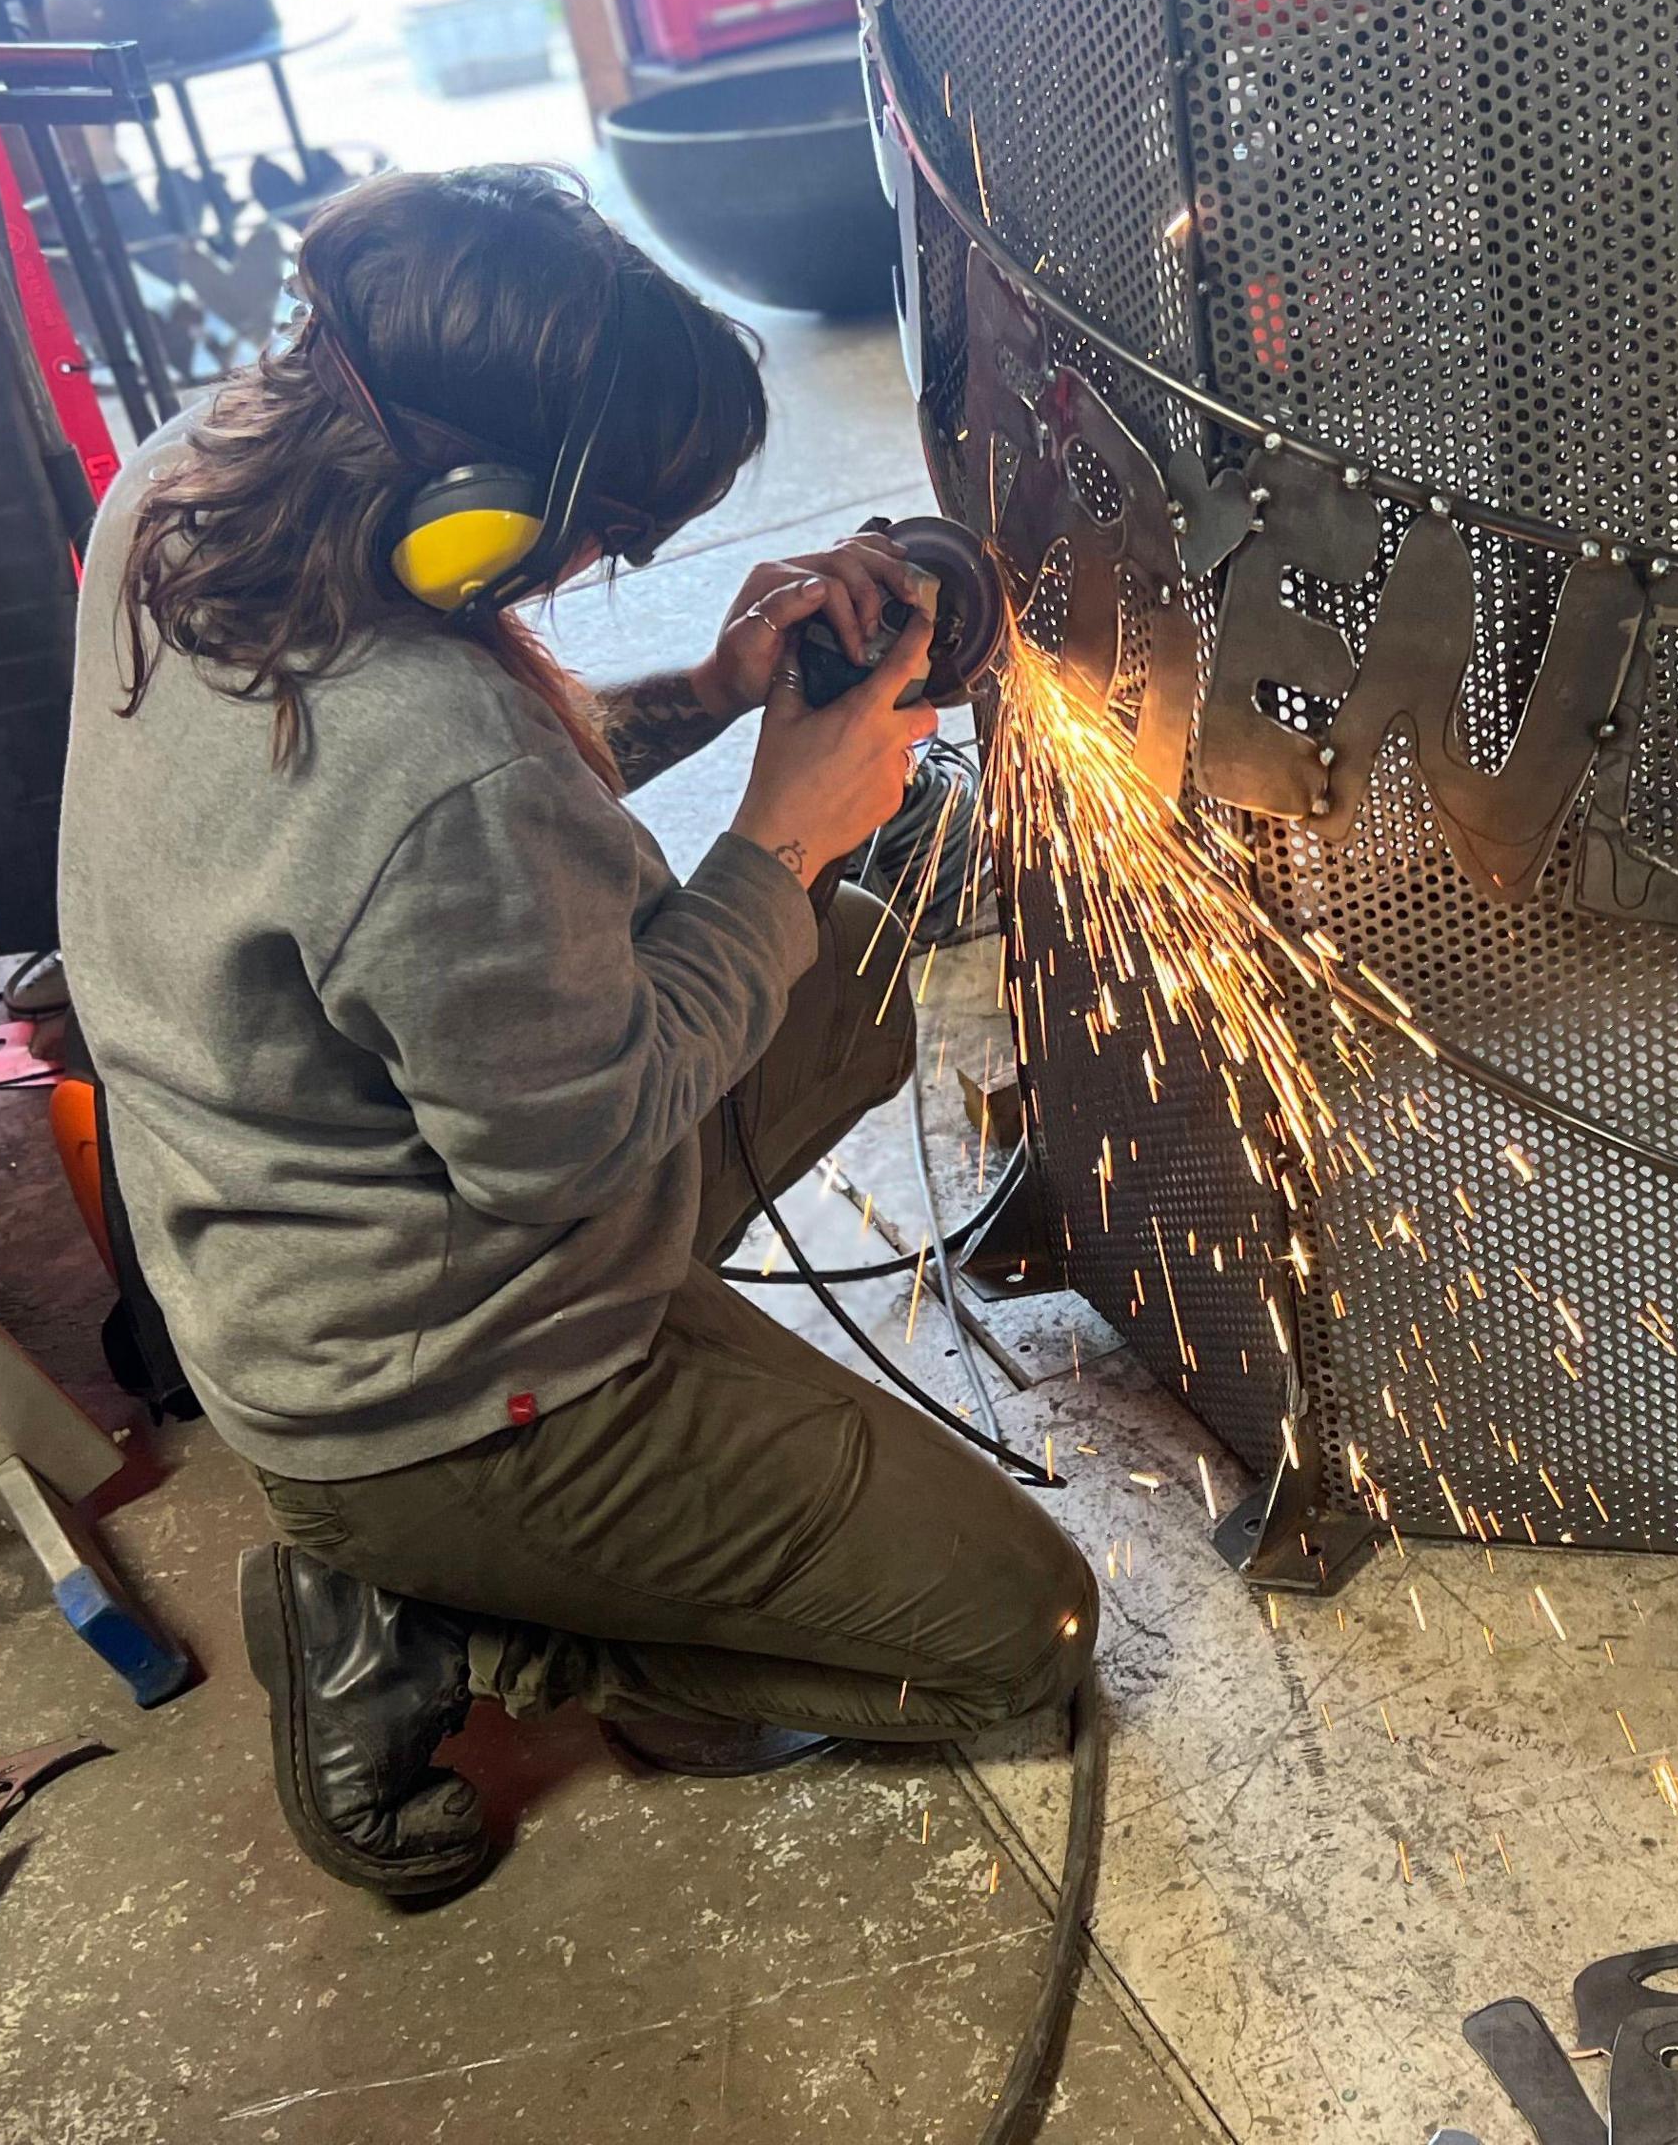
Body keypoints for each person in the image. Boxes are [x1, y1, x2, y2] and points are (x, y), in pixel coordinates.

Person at [57, 165, 1096, 1898]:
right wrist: (779, 831)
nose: (601, 559)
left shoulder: (191, 483)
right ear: (473, 514)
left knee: (839, 967)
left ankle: (572, 1526)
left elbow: (447, 815)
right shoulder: (431, 760)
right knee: (1015, 1633)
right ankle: (445, 1615)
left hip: (310, 1242)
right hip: (443, 1386)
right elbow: (569, 1142)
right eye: (602, 526)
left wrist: (709, 692)